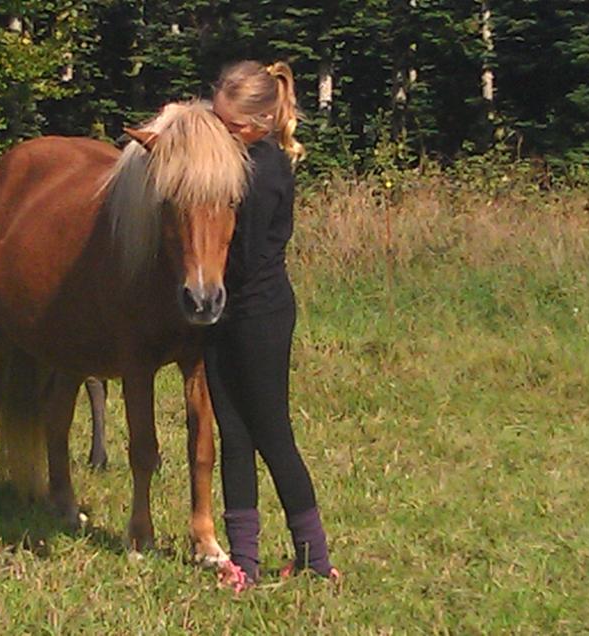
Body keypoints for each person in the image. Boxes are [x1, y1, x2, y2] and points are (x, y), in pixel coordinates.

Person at [205, 60, 339, 591]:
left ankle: (316, 558)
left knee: (272, 435)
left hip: (259, 315)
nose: (222, 134)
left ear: (260, 123)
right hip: (226, 314)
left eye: (231, 126)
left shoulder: (262, 173)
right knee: (234, 436)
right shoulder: (240, 161)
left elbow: (243, 259)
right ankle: (245, 562)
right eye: (216, 122)